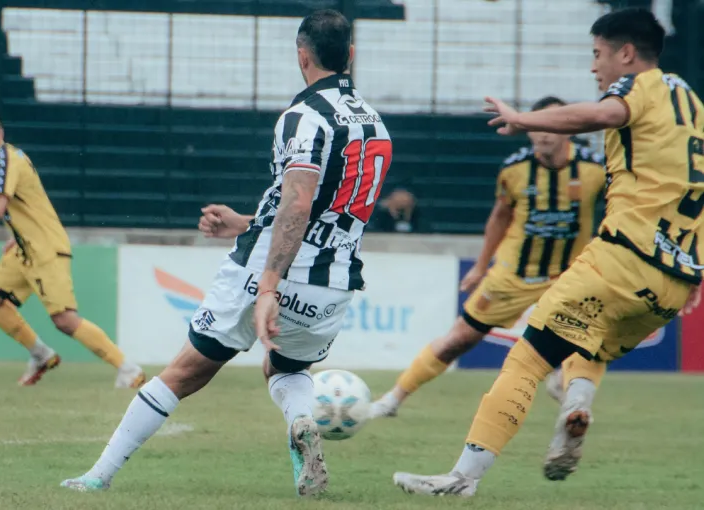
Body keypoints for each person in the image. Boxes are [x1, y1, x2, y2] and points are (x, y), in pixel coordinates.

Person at [60, 9, 392, 496]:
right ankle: (301, 419)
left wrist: (269, 287)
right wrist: (245, 222)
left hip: (269, 272)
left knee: (181, 373)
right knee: (287, 369)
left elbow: (299, 202)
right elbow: (324, 207)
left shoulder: (303, 117)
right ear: (352, 55)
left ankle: (97, 476)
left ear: (302, 56)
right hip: (334, 281)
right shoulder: (376, 125)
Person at [393, 8, 703, 497]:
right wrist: (694, 270)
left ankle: (462, 478)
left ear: (626, 53)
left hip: (623, 257)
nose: (594, 67)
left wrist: (522, 119)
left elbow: (603, 114)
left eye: (598, 54)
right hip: (674, 279)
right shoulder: (690, 102)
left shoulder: (637, 87)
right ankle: (575, 408)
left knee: (528, 360)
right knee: (589, 348)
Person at [369, 96, 608, 421]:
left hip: (568, 276)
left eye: (552, 125)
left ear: (567, 129)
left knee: (594, 334)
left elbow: (617, 210)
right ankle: (392, 399)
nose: (544, 133)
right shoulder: (515, 169)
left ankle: (573, 401)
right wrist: (481, 267)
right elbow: (499, 217)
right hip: (514, 275)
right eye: (538, 125)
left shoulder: (595, 169)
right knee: (458, 339)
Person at [0, 111, 145, 389]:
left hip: (44, 248)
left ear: (0, 133)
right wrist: (15, 235)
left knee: (64, 320)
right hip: (24, 248)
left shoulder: (5, 160)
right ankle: (41, 354)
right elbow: (22, 204)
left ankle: (128, 368)